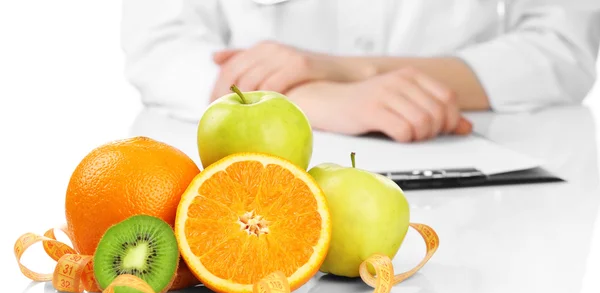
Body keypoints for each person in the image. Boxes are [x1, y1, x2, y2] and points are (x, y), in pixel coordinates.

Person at [121, 0, 600, 142]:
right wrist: (317, 100)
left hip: (463, 152)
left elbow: (560, 46)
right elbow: (161, 45)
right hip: (258, 155)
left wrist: (354, 72)